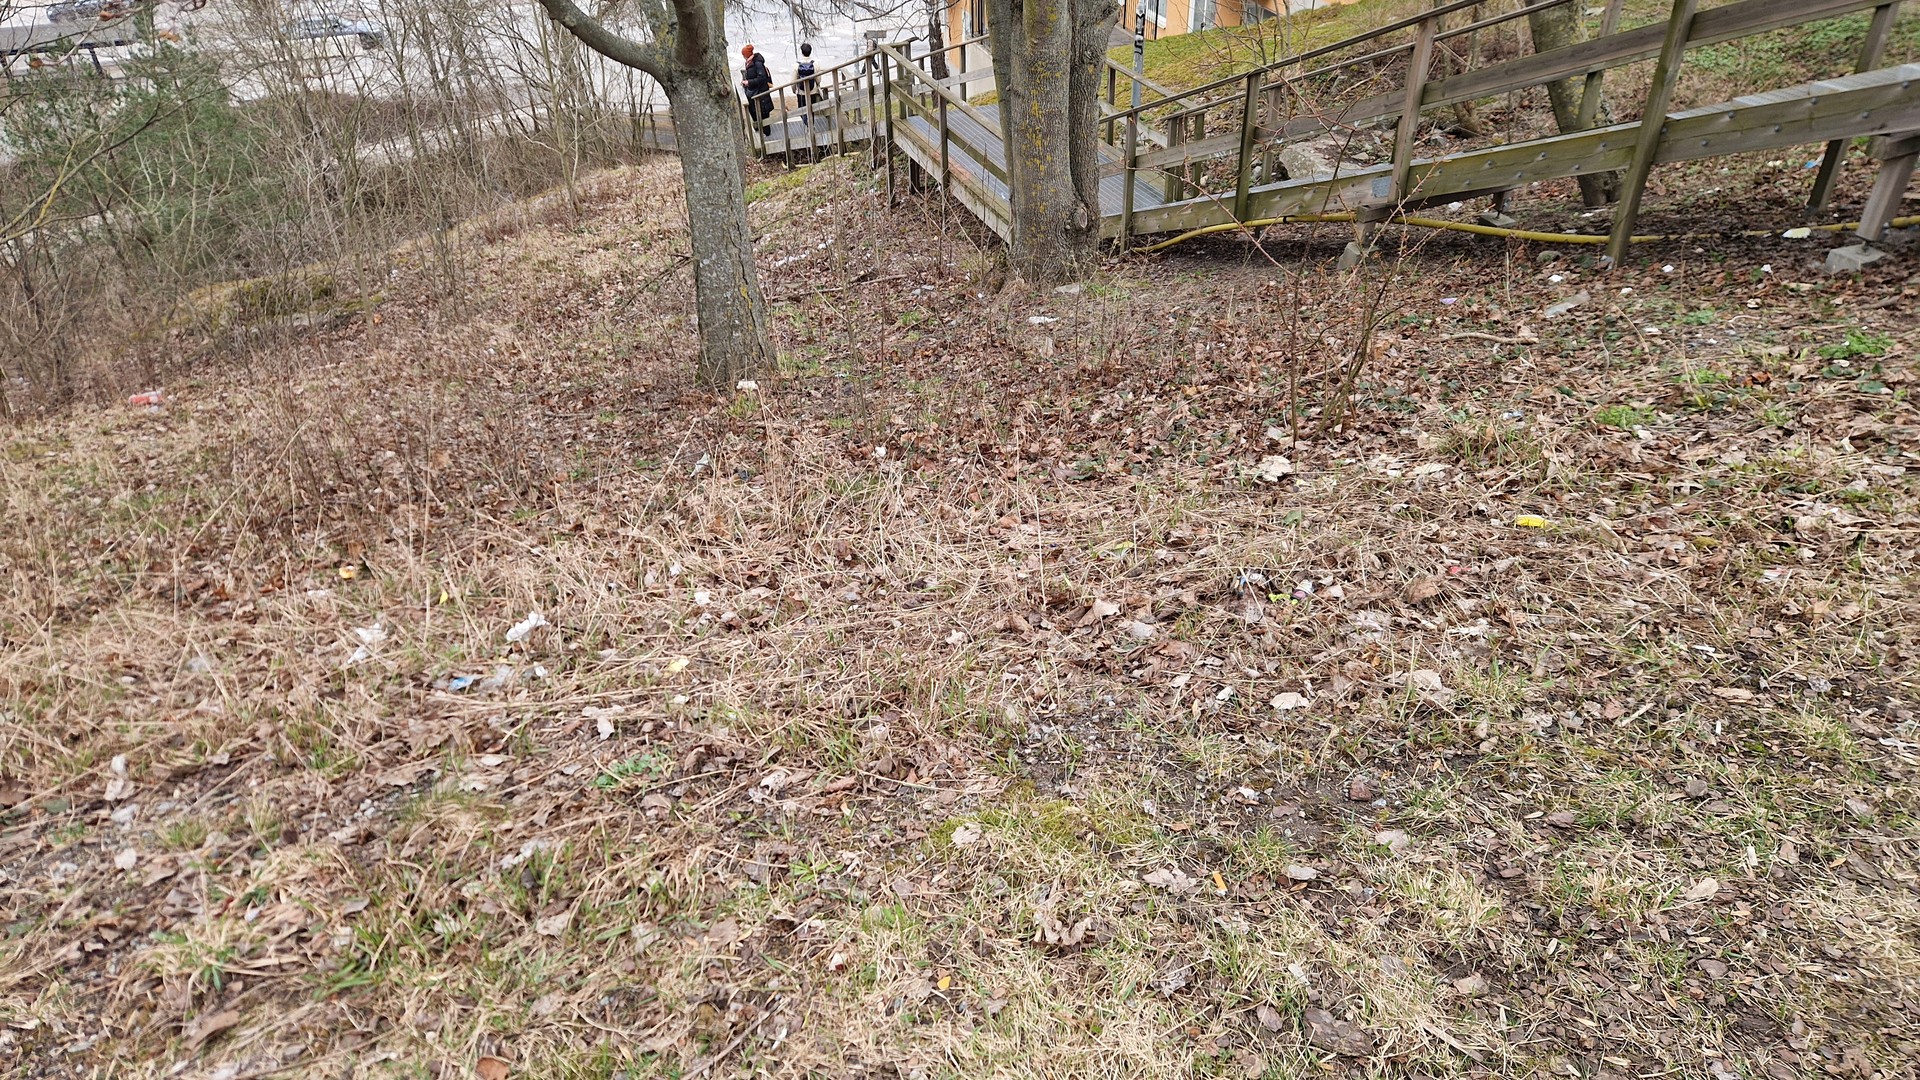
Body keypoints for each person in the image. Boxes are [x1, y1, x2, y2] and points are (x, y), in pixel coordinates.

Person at [740, 45, 773, 137]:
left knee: (764, 115)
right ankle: (759, 131)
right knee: (755, 113)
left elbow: (762, 78)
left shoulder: (757, 63)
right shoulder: (750, 63)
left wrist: (749, 82)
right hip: (755, 93)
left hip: (761, 93)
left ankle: (766, 134)